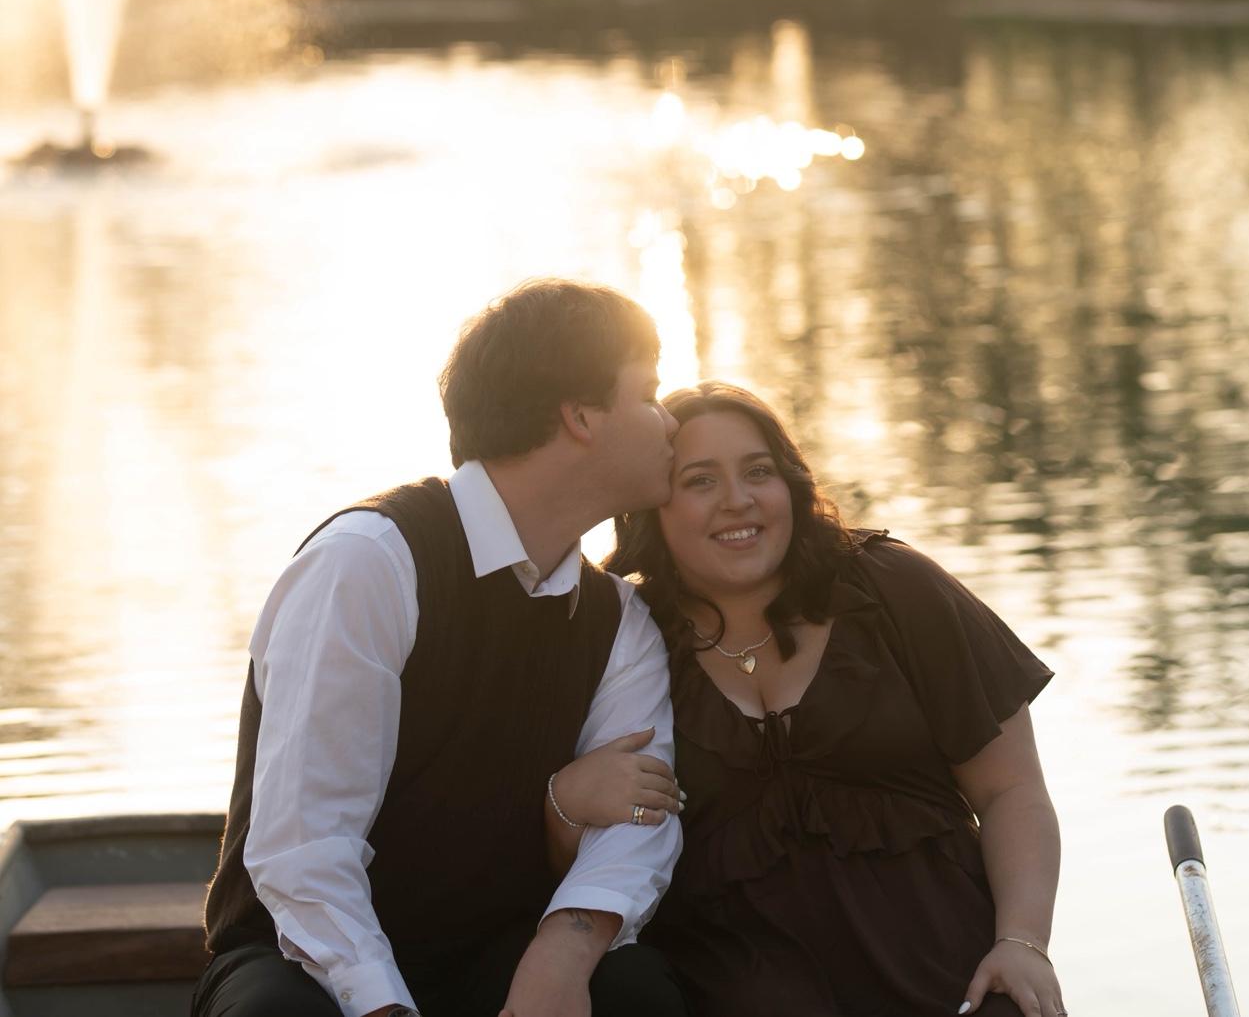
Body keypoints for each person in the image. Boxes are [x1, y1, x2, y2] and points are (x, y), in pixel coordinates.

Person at [194, 279, 691, 1017]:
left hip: (490, 959)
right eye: (648, 395)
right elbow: (305, 853)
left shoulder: (618, 620)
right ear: (581, 416)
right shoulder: (367, 564)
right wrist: (385, 1008)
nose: (669, 423)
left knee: (632, 991)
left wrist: (561, 953)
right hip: (310, 965)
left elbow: (641, 820)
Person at [550, 381, 1065, 1017]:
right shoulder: (628, 643)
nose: (738, 500)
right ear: (654, 502)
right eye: (700, 480)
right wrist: (563, 802)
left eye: (758, 471)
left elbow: (1011, 790)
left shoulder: (892, 587)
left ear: (790, 484)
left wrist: (1022, 944)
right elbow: (594, 862)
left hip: (959, 988)